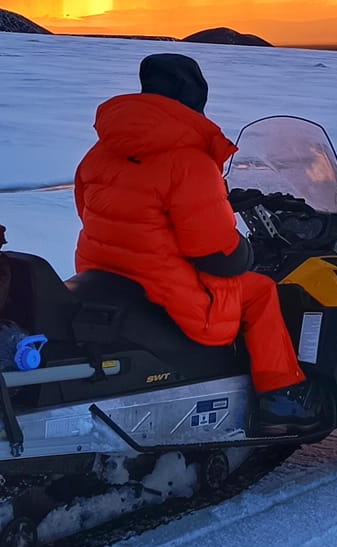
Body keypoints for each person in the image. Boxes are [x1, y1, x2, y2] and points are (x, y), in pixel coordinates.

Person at [72, 52, 320, 431]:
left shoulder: (101, 151)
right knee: (259, 290)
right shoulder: (189, 160)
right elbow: (216, 254)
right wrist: (244, 250)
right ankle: (279, 397)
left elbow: (95, 212)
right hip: (170, 294)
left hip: (108, 279)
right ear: (194, 96)